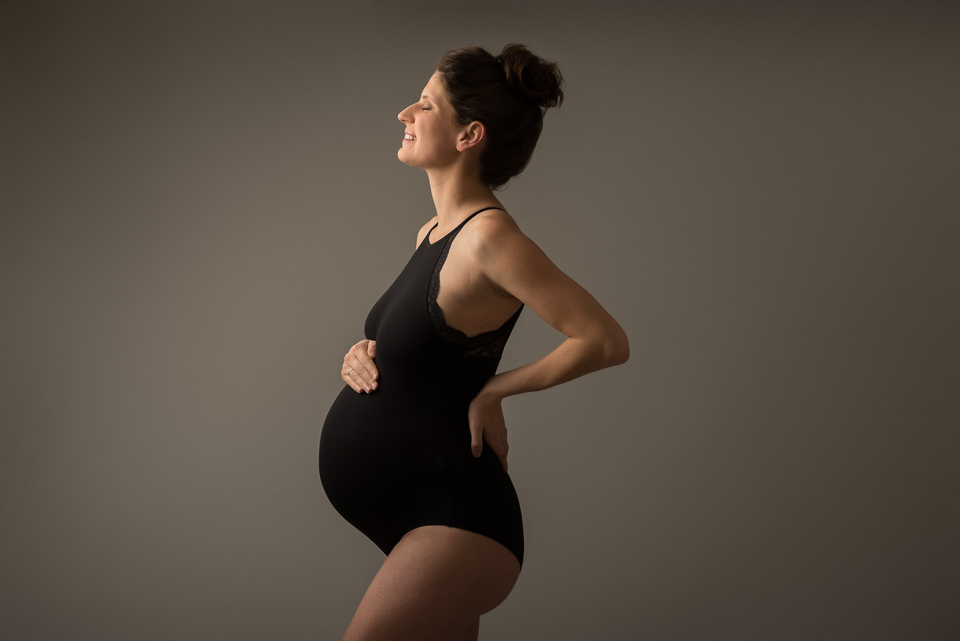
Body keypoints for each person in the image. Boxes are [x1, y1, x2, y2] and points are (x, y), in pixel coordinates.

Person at [318, 44, 629, 641]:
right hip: (412, 521)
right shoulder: (432, 232)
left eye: (426, 104)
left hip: (457, 519)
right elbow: (429, 345)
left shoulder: (489, 238)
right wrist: (365, 349)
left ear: (470, 135)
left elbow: (604, 340)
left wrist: (496, 392)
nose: (405, 113)